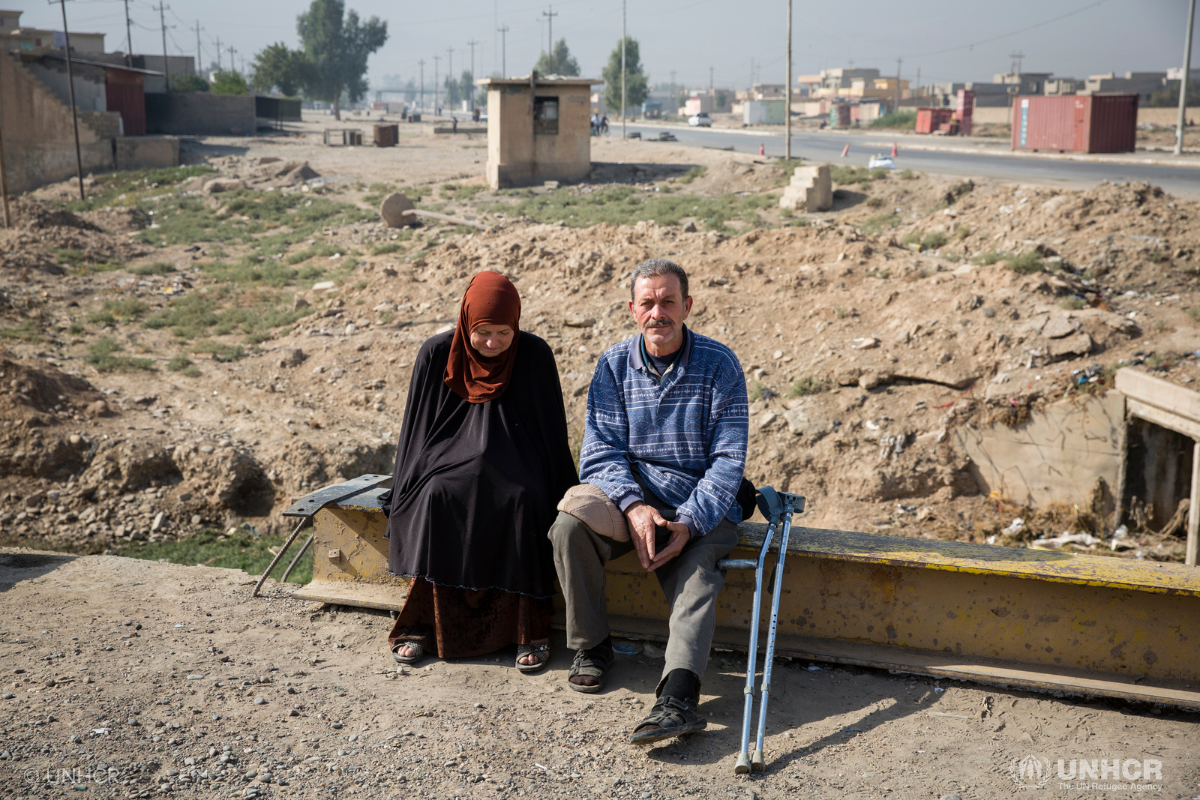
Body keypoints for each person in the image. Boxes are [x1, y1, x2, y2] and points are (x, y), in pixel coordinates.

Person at [548, 258, 749, 745]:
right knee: (569, 526)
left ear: (687, 306)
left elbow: (728, 460)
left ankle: (678, 697)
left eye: (668, 302)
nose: (658, 312)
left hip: (697, 499)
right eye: (648, 303)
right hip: (629, 496)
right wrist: (635, 507)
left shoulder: (720, 365)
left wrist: (689, 522)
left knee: (699, 572)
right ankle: (593, 648)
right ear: (632, 309)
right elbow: (600, 451)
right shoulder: (614, 364)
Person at [381, 272, 577, 672]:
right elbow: (416, 430)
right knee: (437, 494)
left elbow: (551, 432)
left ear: (516, 324)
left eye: (504, 332)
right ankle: (422, 627)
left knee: (523, 499)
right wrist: (408, 483)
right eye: (483, 332)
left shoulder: (534, 355)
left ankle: (528, 630)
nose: (493, 343)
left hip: (519, 463)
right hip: (443, 462)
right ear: (467, 322)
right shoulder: (436, 353)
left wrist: (562, 489)